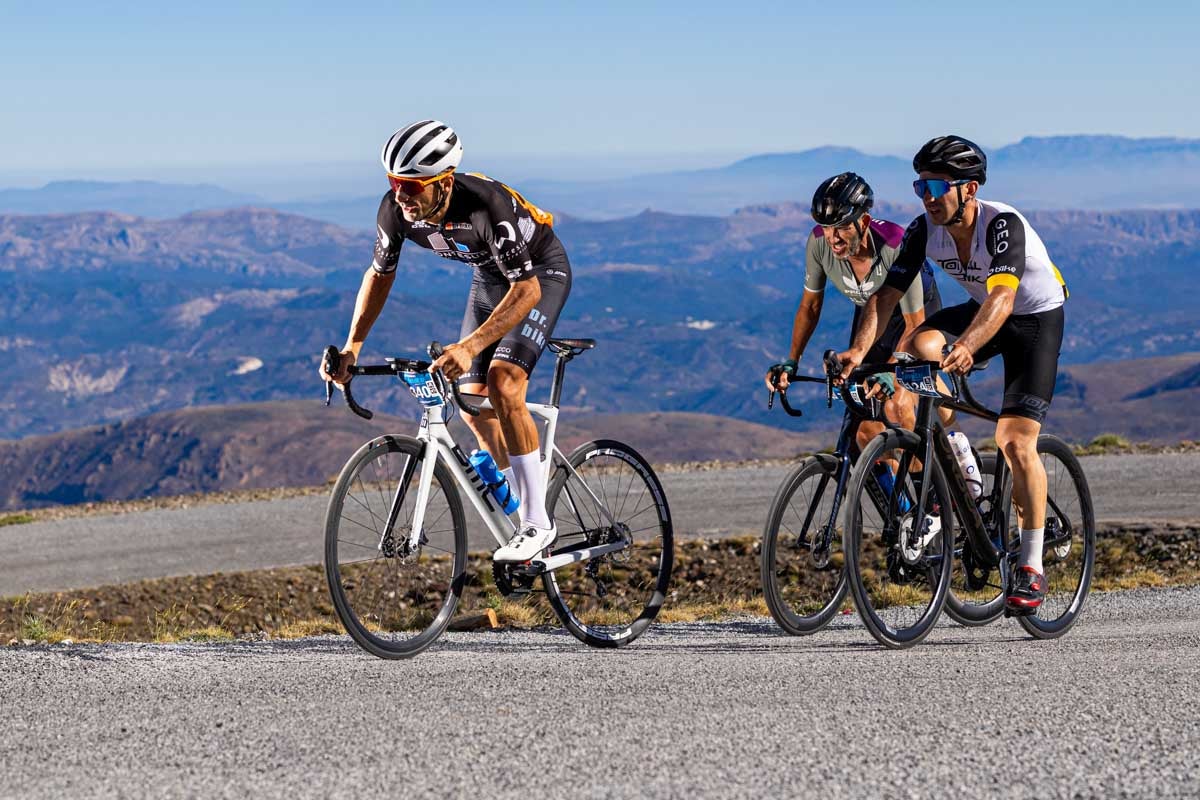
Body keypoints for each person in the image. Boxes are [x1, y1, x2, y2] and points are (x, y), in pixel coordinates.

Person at [320, 120, 572, 562]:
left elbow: (527, 291)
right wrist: (352, 348)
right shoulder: (395, 210)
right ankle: (524, 504)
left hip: (539, 275)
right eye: (394, 182)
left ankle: (538, 523)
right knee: (473, 404)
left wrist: (470, 346)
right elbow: (379, 275)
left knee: (504, 384)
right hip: (492, 279)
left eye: (412, 186)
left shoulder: (486, 206)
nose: (401, 195)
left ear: (444, 182)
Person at [838, 135, 1068, 614]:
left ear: (968, 188)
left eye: (936, 185)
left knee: (1014, 440)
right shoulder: (925, 229)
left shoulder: (1001, 226)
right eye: (920, 184)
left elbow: (1004, 298)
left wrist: (966, 346)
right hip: (984, 311)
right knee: (917, 348)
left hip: (1033, 318)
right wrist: (859, 351)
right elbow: (884, 297)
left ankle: (1030, 567)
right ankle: (958, 462)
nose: (926, 195)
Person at [766, 172, 941, 454]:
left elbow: (914, 325)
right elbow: (810, 307)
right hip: (872, 314)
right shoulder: (819, 244)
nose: (833, 238)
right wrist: (792, 361)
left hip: (915, 315)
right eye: (825, 227)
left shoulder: (895, 246)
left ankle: (929, 491)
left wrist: (895, 374)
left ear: (864, 222)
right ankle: (896, 496)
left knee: (897, 404)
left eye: (843, 227)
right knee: (864, 429)